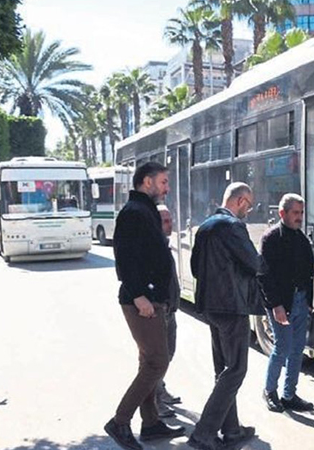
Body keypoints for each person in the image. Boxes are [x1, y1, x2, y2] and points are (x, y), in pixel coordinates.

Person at [105, 162, 185, 450]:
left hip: (153, 298)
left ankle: (150, 424)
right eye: (163, 182)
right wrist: (140, 295)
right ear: (147, 182)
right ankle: (120, 421)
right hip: (142, 300)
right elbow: (124, 258)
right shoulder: (133, 212)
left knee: (148, 361)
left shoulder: (144, 209)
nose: (166, 188)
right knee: (157, 362)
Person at [188, 182, 261, 450]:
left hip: (211, 307)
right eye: (249, 205)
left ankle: (231, 431)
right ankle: (203, 433)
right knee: (236, 370)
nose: (249, 211)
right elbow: (254, 263)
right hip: (232, 306)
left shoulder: (205, 226)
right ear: (240, 201)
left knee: (223, 370)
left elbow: (196, 268)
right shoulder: (232, 226)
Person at [258, 193, 314, 413]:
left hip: (300, 301)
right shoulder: (271, 238)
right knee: (282, 347)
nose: (299, 217)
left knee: (297, 349)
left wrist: (309, 301)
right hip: (282, 302)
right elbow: (264, 275)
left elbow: (307, 273)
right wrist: (276, 305)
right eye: (295, 213)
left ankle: (289, 394)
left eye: (301, 213)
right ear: (282, 213)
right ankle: (270, 391)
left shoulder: (301, 239)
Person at [155, 205, 182, 418]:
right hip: (159, 309)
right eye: (165, 221)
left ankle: (160, 389)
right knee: (158, 357)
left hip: (169, 309)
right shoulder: (153, 247)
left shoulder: (165, 244)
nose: (170, 224)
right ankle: (155, 402)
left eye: (170, 220)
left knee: (168, 353)